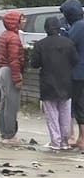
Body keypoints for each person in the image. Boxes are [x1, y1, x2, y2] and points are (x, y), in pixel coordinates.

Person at [30, 16, 77, 150]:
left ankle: (55, 142)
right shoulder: (69, 43)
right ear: (59, 27)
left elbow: (34, 64)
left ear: (46, 28)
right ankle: (65, 141)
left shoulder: (40, 45)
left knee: (52, 114)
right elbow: (75, 60)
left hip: (48, 83)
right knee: (65, 113)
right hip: (66, 83)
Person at [0, 10, 25, 144]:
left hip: (1, 70)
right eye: (22, 19)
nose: (24, 21)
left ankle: (5, 133)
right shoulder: (13, 38)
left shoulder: (4, 35)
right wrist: (17, 78)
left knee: (5, 103)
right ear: (15, 22)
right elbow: (14, 60)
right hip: (9, 72)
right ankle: (10, 135)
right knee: (12, 104)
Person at [60, 0, 84, 148]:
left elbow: (68, 43)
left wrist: (62, 33)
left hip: (78, 73)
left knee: (78, 104)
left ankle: (80, 138)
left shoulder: (78, 27)